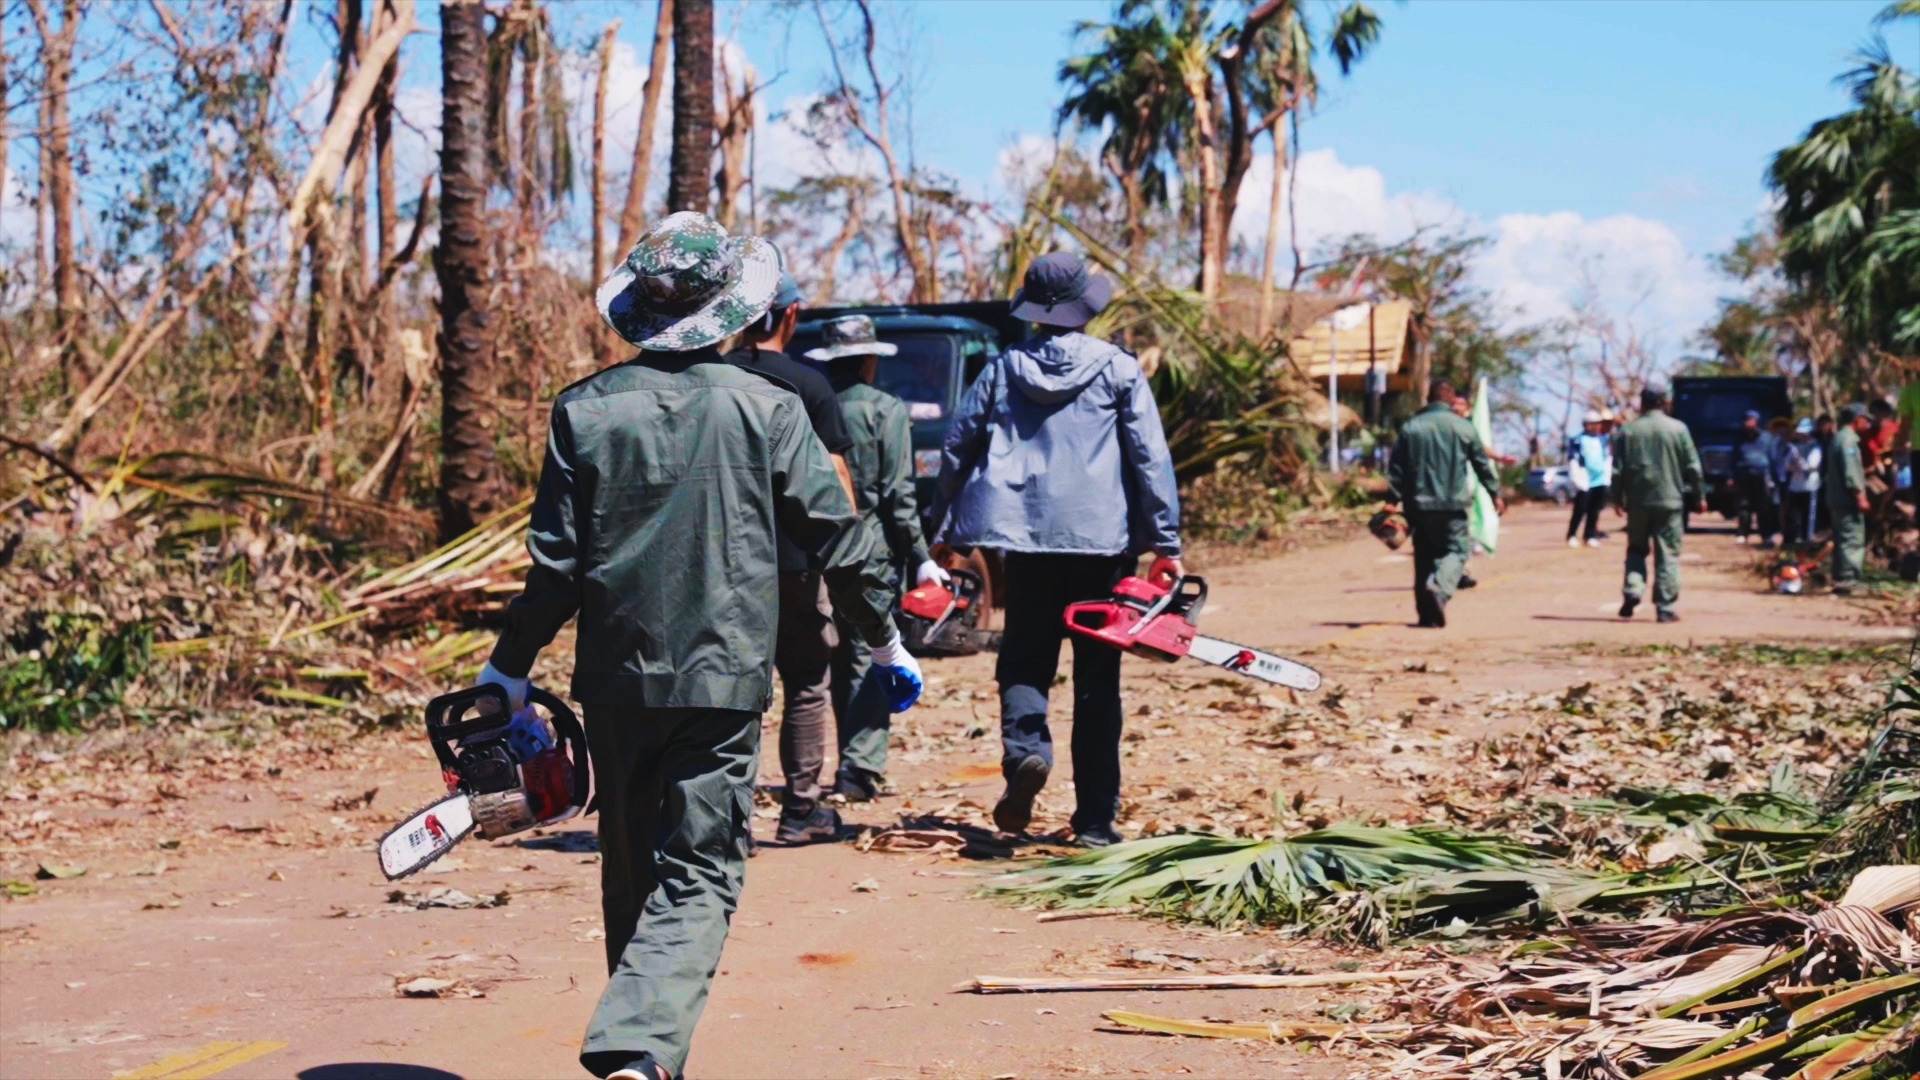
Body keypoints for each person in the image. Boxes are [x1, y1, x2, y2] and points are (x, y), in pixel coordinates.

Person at [472, 212, 924, 1080]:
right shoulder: (771, 409)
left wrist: (509, 665)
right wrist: (887, 637)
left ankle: (646, 1056)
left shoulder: (584, 412)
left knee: (632, 868)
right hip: (721, 680)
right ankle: (641, 1051)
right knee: (701, 871)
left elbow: (555, 570)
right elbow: (842, 537)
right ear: (733, 310)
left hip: (615, 680)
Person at [938, 251, 1182, 849]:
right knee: (1099, 679)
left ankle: (1026, 753)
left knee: (1025, 660)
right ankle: (1096, 821)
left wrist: (943, 528)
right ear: (1084, 307)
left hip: (1026, 544)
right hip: (1102, 547)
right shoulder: (1118, 370)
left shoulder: (1002, 369)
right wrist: (1165, 542)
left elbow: (956, 448)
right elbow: (1149, 458)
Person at [722, 272, 860, 845]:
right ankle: (800, 812)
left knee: (727, 690)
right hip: (796, 563)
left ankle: (724, 820)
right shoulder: (810, 385)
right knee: (806, 680)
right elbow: (838, 489)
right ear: (792, 314)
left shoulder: (709, 381)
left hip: (720, 566)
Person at [804, 314, 943, 803]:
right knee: (869, 655)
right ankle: (859, 768)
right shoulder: (886, 410)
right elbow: (899, 495)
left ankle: (841, 764)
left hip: (817, 549)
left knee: (835, 658)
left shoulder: (812, 407)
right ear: (868, 361)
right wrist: (923, 556)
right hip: (873, 552)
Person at [1383, 379, 1505, 629]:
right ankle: (1438, 590)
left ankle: (1426, 616)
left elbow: (1396, 469)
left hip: (1417, 505)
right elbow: (1482, 464)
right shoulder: (1463, 428)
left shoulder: (1411, 428)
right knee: (1456, 551)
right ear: (1451, 400)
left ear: (1428, 398)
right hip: (1452, 505)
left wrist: (1392, 500)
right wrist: (1495, 494)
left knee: (1423, 557)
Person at [1612, 382, 1705, 623]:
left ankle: (1633, 590)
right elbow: (1693, 467)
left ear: (1642, 402)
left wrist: (1617, 498)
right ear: (1664, 402)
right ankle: (1664, 607)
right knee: (1668, 554)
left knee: (1636, 550)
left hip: (1638, 502)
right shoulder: (1678, 429)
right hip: (1670, 501)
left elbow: (1617, 470)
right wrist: (1700, 496)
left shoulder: (1628, 431)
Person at [1823, 404, 1872, 596]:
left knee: (1841, 539)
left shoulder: (1838, 438)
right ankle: (1848, 579)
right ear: (1856, 419)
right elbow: (1850, 472)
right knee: (1852, 539)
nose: (1867, 423)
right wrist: (1860, 496)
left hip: (1836, 499)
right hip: (1847, 500)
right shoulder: (1848, 441)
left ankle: (1840, 577)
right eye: (1865, 419)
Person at [1566, 410, 1612, 547]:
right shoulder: (1577, 440)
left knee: (1595, 509)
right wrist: (1576, 477)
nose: (1596, 426)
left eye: (1598, 424)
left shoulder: (1603, 439)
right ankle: (1572, 535)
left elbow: (1608, 458)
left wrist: (1607, 476)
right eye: (1593, 424)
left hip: (1600, 479)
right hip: (1585, 478)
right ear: (1586, 424)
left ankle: (1590, 535)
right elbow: (1573, 459)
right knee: (1580, 508)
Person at [1731, 409, 1776, 545]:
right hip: (1744, 475)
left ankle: (1766, 535)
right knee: (1744, 507)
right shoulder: (1740, 439)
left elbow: (1773, 458)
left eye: (1751, 420)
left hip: (1762, 476)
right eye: (1746, 420)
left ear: (1757, 421)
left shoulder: (1767, 438)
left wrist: (1773, 478)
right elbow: (1734, 459)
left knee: (1764, 507)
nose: (1748, 423)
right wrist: (1731, 476)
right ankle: (1743, 534)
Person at [1782, 418, 1822, 546]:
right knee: (1793, 516)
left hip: (1809, 487)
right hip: (1795, 486)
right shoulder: (1795, 447)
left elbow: (1811, 465)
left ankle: (1807, 541)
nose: (1802, 436)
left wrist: (1799, 462)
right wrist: (1794, 463)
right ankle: (1793, 541)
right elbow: (1787, 465)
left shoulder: (1815, 447)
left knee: (1808, 517)